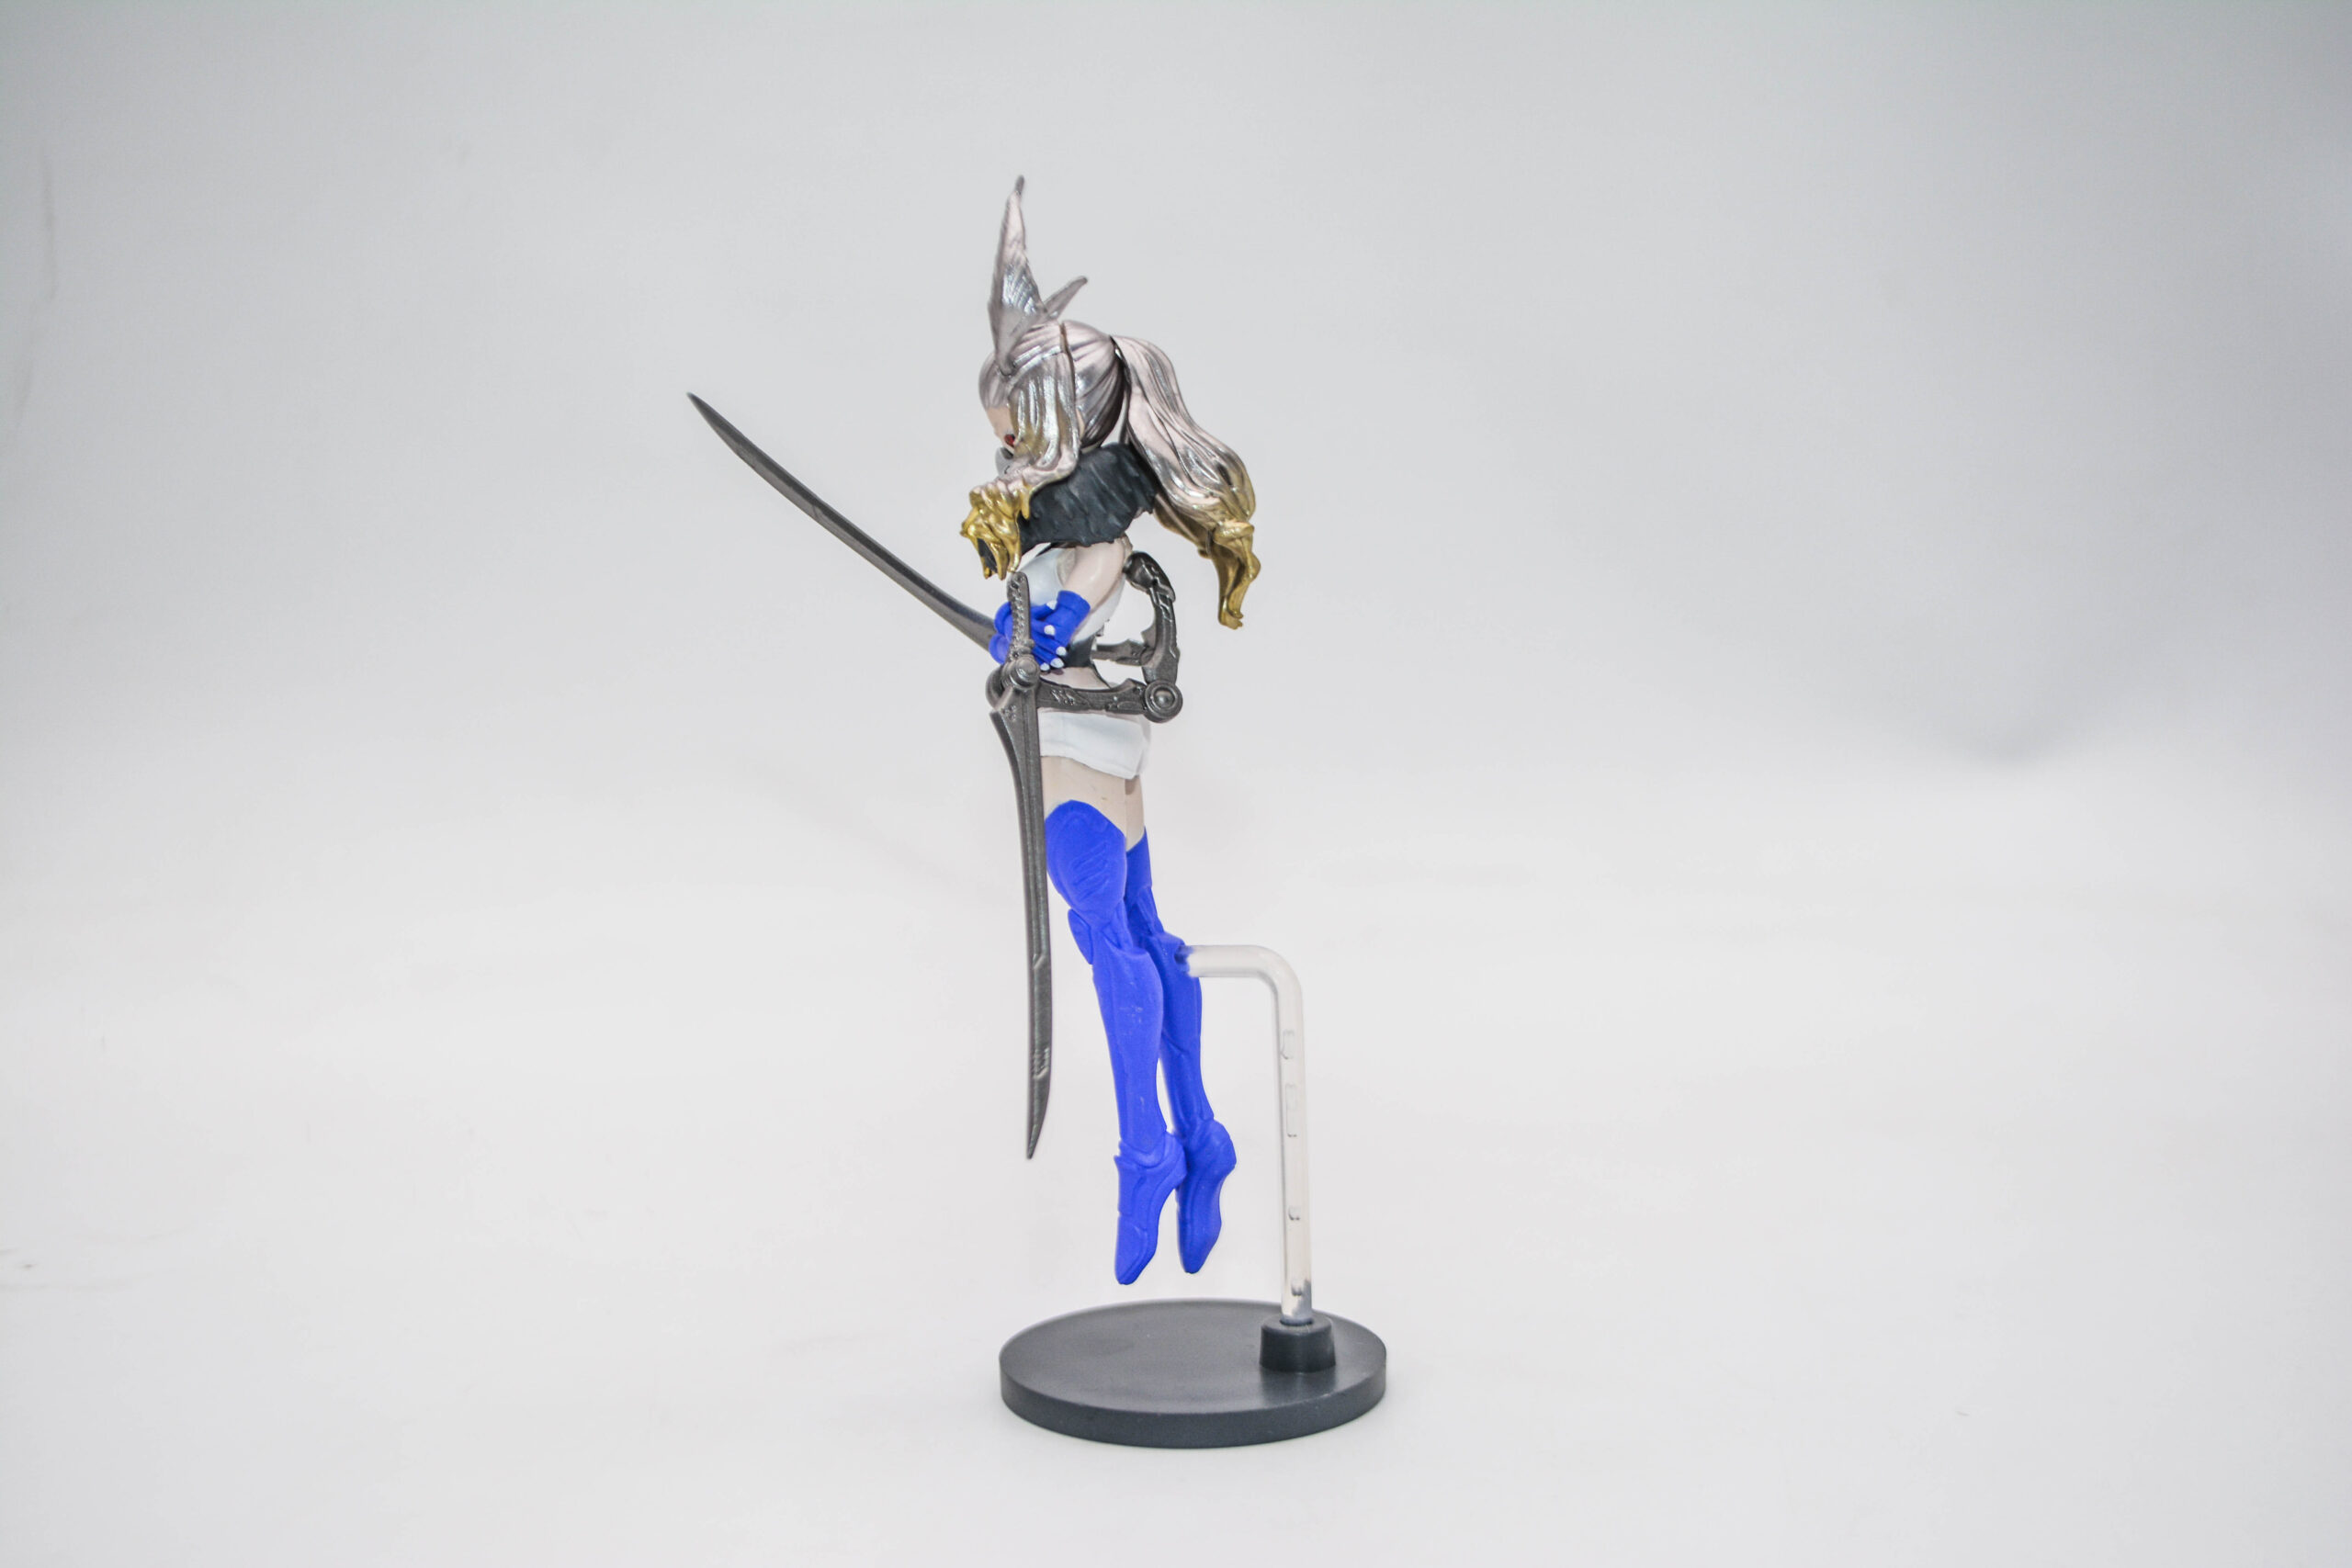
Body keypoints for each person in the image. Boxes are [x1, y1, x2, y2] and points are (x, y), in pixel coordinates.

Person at [960, 181, 1261, 1284]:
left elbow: (1088, 585)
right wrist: (1021, 635)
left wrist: (1031, 633)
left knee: (1110, 946)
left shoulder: (1091, 533)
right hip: (1101, 767)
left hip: (1079, 772)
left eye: (1011, 420)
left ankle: (1148, 1155)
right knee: (1144, 936)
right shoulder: (1067, 528)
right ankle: (1202, 1137)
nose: (1001, 441)